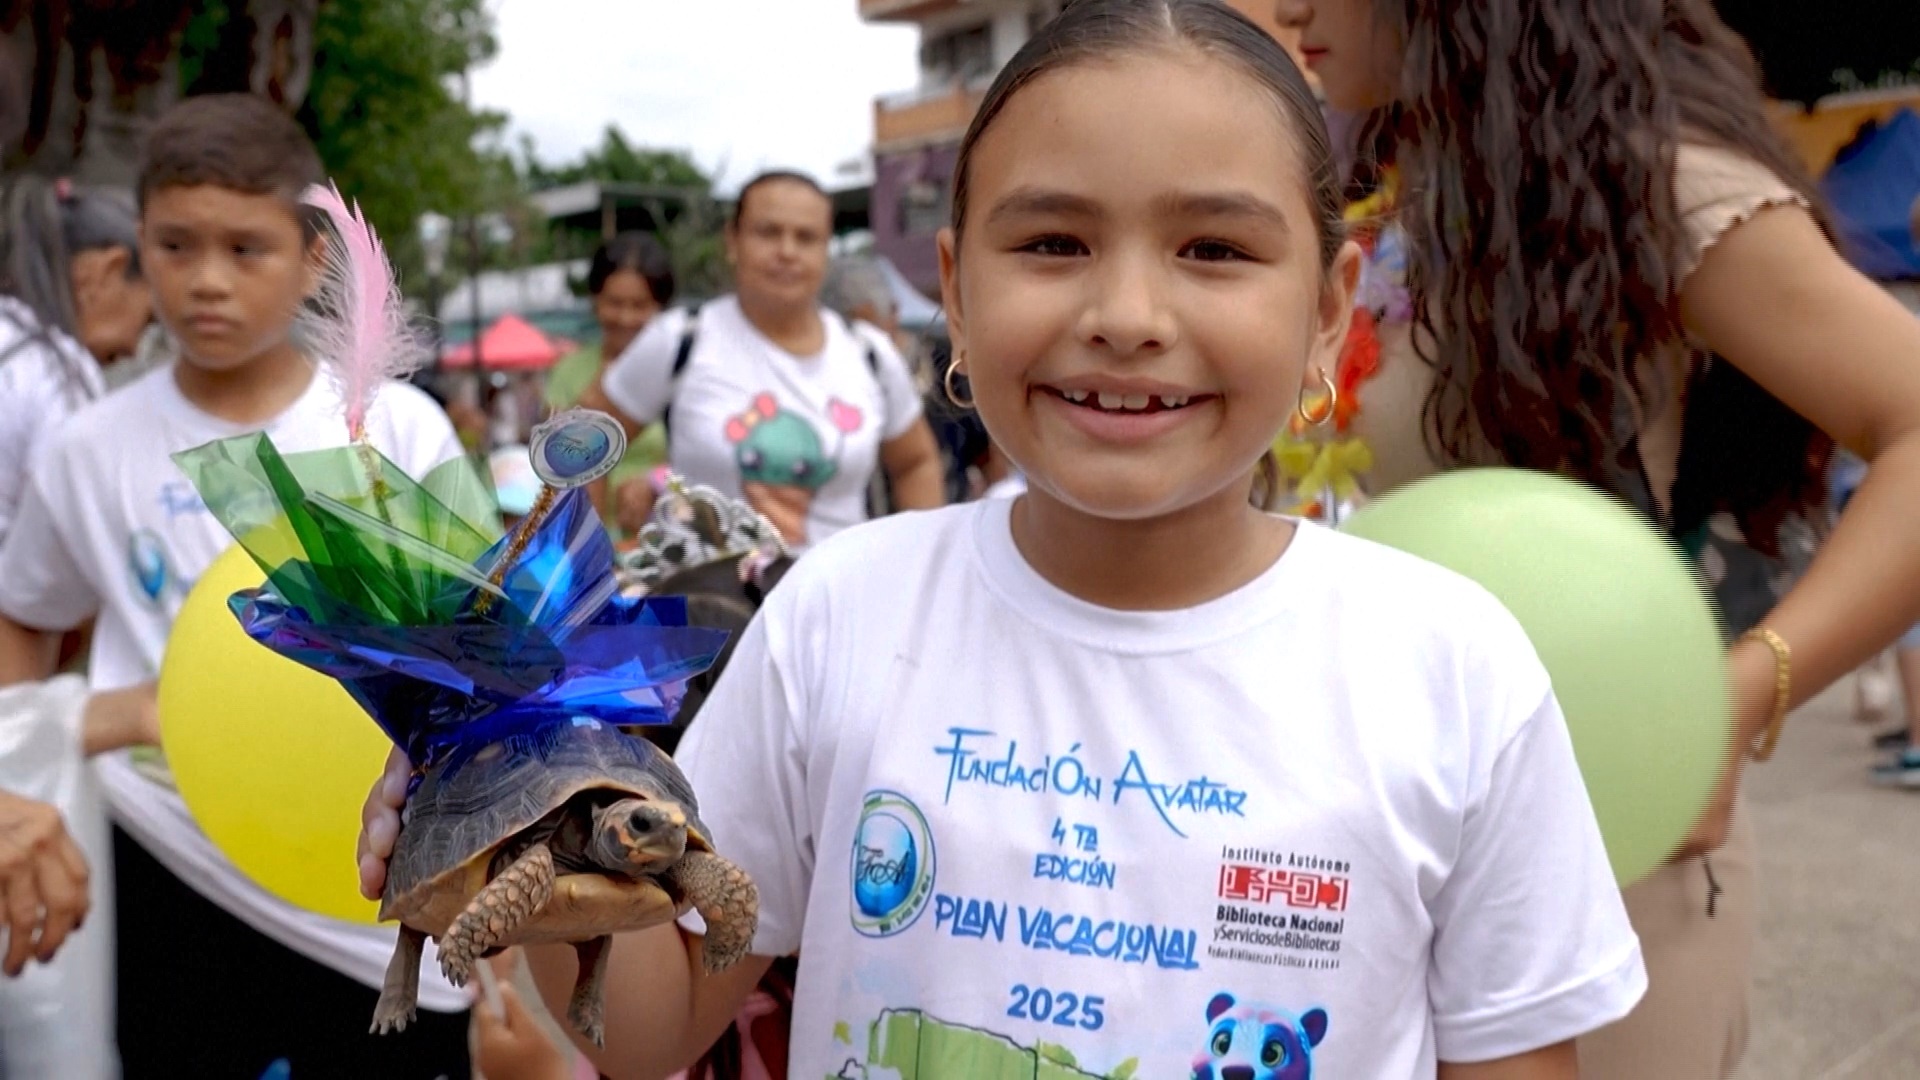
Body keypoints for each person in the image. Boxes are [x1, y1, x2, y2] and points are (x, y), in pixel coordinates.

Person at [363, 3, 1647, 1076]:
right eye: (1051, 242)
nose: (1127, 312)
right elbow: (646, 1035)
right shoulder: (838, 612)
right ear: (958, 294)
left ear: (1326, 311)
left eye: (1213, 247)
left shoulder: (1454, 666)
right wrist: (516, 798)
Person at [1273, 1, 1920, 1076]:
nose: (1289, 5)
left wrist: (1741, 696)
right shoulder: (1393, 177)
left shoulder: (1646, 178)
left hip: (1606, 855)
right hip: (1379, 841)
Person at [0, 93, 473, 1077]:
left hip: (375, 883)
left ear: (312, 257)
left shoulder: (397, 430)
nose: (206, 282)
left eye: (245, 250)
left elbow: (478, 649)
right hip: (168, 870)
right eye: (176, 247)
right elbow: (24, 617)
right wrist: (32, 757)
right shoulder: (88, 449)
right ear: (140, 245)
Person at [577, 171, 946, 549]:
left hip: (839, 600)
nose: (787, 251)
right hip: (707, 601)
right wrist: (585, 561)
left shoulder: (869, 354)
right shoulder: (682, 340)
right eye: (768, 232)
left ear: (826, 250)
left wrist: (916, 560)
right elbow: (581, 441)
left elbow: (916, 462)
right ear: (732, 240)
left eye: (806, 237)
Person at [0, 177, 151, 539]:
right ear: (106, 272)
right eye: (148, 320)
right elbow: (69, 536)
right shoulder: (58, 372)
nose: (133, 347)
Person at [546, 232, 676, 534]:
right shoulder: (568, 373)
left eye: (639, 305)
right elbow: (555, 464)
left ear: (661, 307)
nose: (626, 317)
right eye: (614, 303)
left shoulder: (680, 374)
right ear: (595, 301)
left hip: (667, 539)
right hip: (589, 540)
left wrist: (657, 481)